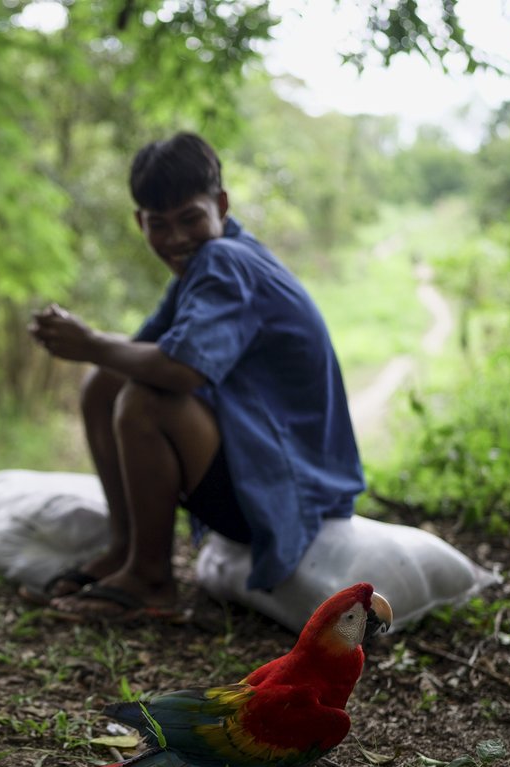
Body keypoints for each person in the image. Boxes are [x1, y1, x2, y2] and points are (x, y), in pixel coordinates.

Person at [27, 132, 364, 622]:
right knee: (107, 380)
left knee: (146, 399)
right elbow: (138, 352)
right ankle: (125, 551)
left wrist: (91, 342)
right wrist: (94, 347)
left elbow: (181, 371)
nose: (176, 238)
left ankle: (150, 578)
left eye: (190, 218)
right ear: (139, 222)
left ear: (220, 205)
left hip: (291, 490)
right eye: (158, 225)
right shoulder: (203, 263)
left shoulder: (226, 261)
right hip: (262, 465)